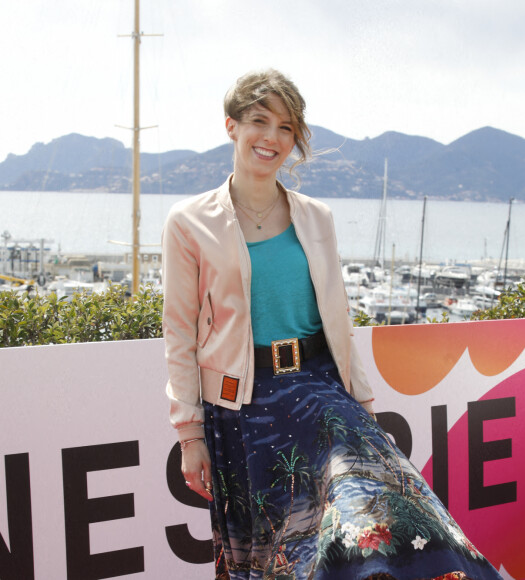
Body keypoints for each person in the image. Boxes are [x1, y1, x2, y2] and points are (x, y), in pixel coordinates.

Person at [162, 69, 502, 580]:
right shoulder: (188, 222)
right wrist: (190, 434)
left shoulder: (316, 217)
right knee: (275, 555)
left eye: (286, 127)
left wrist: (363, 406)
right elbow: (179, 334)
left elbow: (338, 318)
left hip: (320, 393)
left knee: (384, 517)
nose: (272, 138)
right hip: (241, 408)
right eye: (260, 121)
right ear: (231, 126)